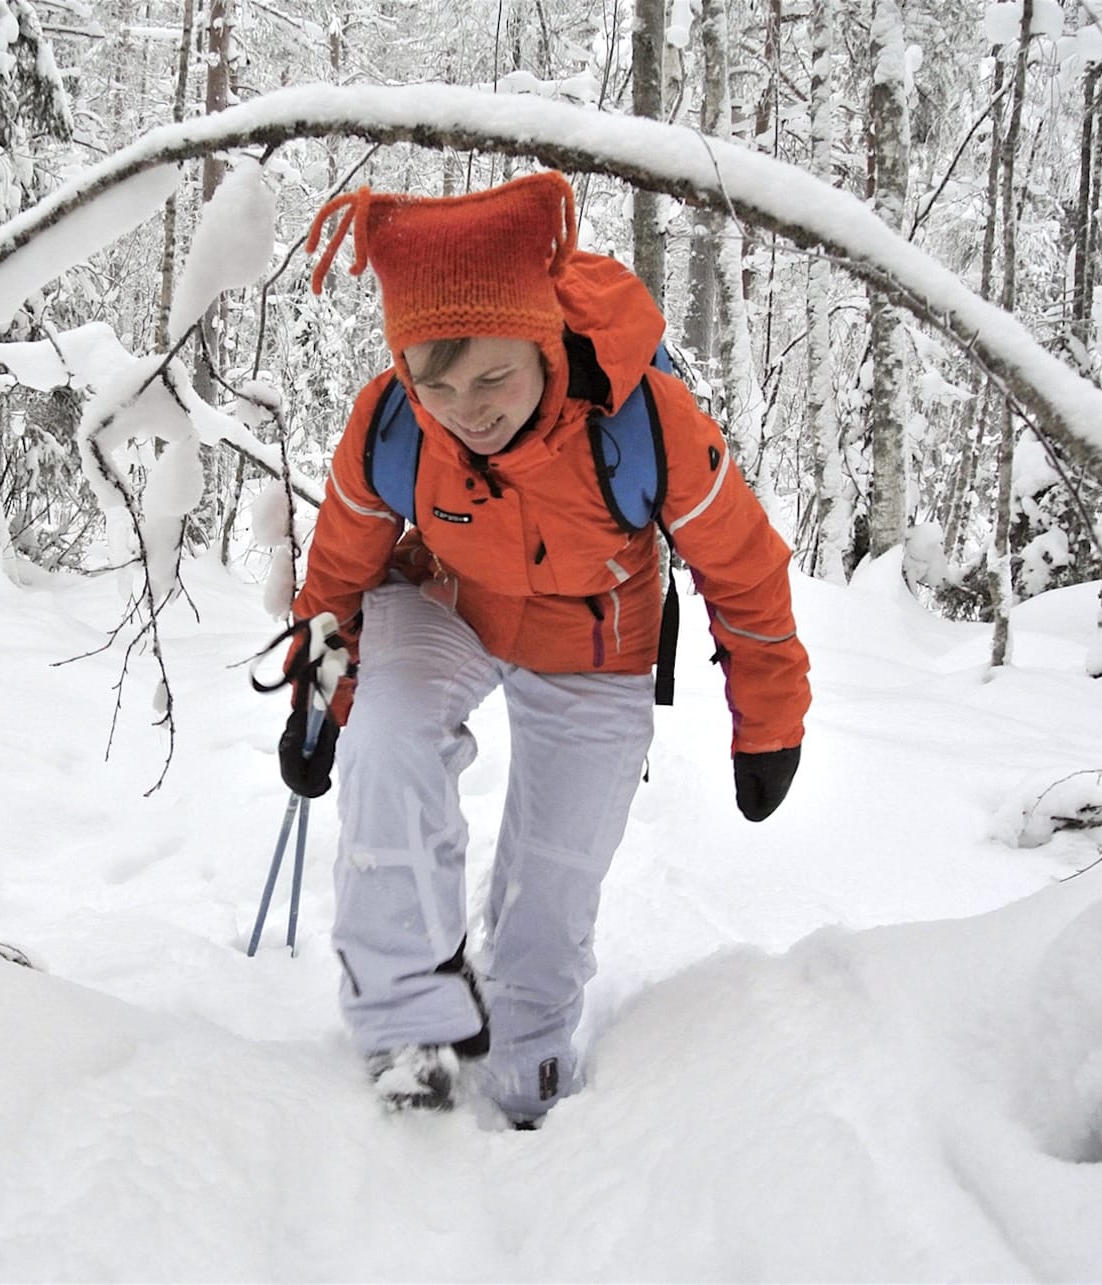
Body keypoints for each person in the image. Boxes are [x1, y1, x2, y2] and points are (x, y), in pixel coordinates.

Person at [275, 171, 809, 1128]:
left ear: (542, 339)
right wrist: (318, 702)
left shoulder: (645, 421)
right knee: (387, 744)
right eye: (434, 385)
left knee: (556, 874)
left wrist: (767, 717)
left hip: (595, 631)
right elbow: (340, 572)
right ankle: (408, 1014)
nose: (466, 409)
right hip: (447, 598)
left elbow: (744, 570)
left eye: (492, 377)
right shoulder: (393, 426)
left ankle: (528, 1059)